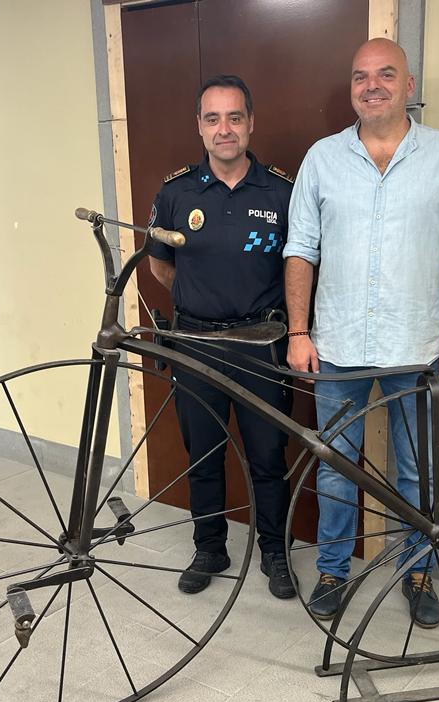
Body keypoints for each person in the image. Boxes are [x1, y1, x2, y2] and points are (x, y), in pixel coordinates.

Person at [282, 39, 439, 626]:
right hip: (339, 349)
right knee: (335, 466)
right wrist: (299, 331)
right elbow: (300, 250)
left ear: (409, 83)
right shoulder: (321, 158)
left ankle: (419, 571)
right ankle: (332, 569)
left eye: (384, 75)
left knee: (416, 471)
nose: (371, 85)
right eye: (359, 77)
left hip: (417, 349)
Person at [148, 74, 296, 599]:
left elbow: (299, 268)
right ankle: (210, 545)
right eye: (213, 118)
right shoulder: (174, 192)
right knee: (203, 454)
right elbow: (162, 268)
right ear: (200, 127)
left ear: (251, 123)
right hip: (196, 345)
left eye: (235, 117)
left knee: (268, 456)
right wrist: (204, 305)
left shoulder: (282, 191)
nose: (224, 128)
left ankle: (276, 551)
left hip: (261, 346)